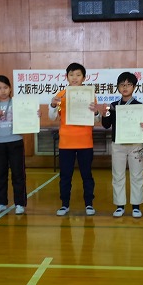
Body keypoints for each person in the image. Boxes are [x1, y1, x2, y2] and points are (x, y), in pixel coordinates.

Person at [48, 62, 101, 216]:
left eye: (78, 75)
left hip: (85, 142)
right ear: (66, 77)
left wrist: (96, 112)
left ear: (84, 77)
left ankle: (89, 204)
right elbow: (52, 117)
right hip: (66, 143)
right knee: (65, 175)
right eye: (71, 75)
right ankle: (64, 204)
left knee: (87, 175)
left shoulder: (91, 95)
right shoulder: (60, 95)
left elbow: (97, 120)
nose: (75, 78)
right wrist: (52, 105)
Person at [101, 72, 143, 218]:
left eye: (129, 84)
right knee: (118, 175)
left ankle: (136, 206)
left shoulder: (139, 106)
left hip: (135, 144)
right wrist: (105, 114)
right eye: (122, 84)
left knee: (137, 175)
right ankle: (120, 205)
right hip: (118, 145)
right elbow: (106, 125)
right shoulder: (113, 106)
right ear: (118, 87)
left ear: (134, 87)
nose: (125, 87)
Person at [0, 75, 31, 215]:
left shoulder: (18, 103)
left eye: (5, 87)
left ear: (10, 88)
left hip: (15, 142)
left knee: (18, 174)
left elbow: (27, 118)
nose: (3, 91)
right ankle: (1, 203)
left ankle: (20, 203)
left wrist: (34, 115)